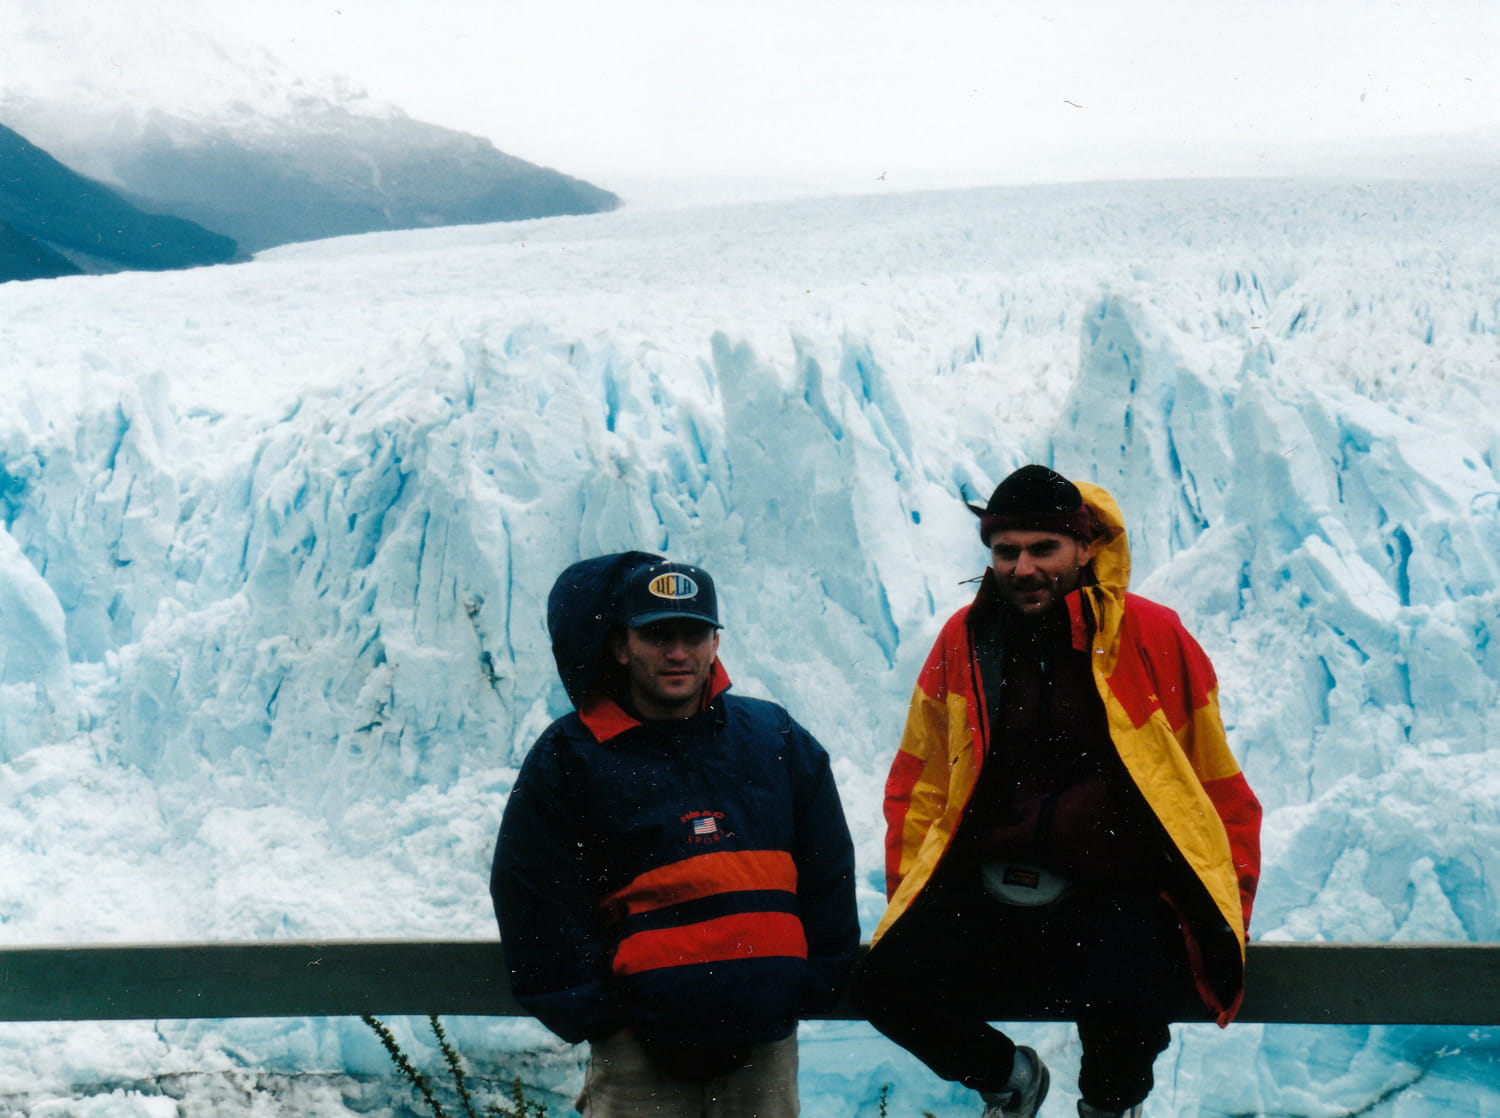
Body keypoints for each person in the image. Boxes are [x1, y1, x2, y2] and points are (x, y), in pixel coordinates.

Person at [852, 466, 1262, 1118]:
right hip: (986, 886)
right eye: (1006, 551)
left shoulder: (1152, 637)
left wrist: (1223, 908)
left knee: (1129, 1002)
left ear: (1084, 548)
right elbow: (921, 779)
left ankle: (1106, 1107)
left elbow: (1212, 782)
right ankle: (1011, 1078)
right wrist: (911, 894)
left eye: (1043, 549)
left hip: (1111, 890)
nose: (1022, 567)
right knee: (883, 983)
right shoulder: (965, 639)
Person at [492, 551, 859, 1118]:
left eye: (694, 633)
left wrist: (807, 985)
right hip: (638, 1055)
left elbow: (828, 866)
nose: (679, 653)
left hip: (764, 1047)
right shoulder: (573, 755)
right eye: (658, 635)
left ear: (716, 642)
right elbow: (531, 890)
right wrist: (600, 1019)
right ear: (620, 646)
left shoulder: (774, 737)